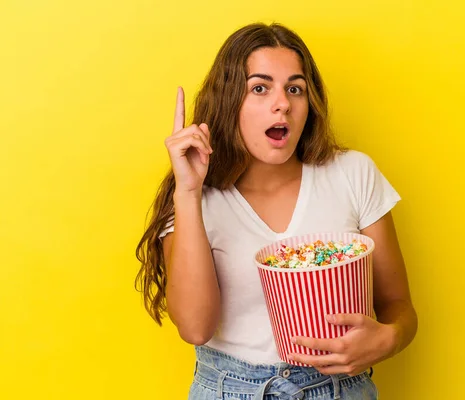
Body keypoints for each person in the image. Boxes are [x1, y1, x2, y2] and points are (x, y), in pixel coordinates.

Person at [136, 22, 418, 400]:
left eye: (295, 88)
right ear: (228, 102)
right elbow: (195, 329)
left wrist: (389, 339)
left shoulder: (353, 174)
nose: (282, 102)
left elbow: (399, 307)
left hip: (341, 389)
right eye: (259, 88)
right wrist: (188, 193)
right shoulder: (193, 196)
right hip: (229, 390)